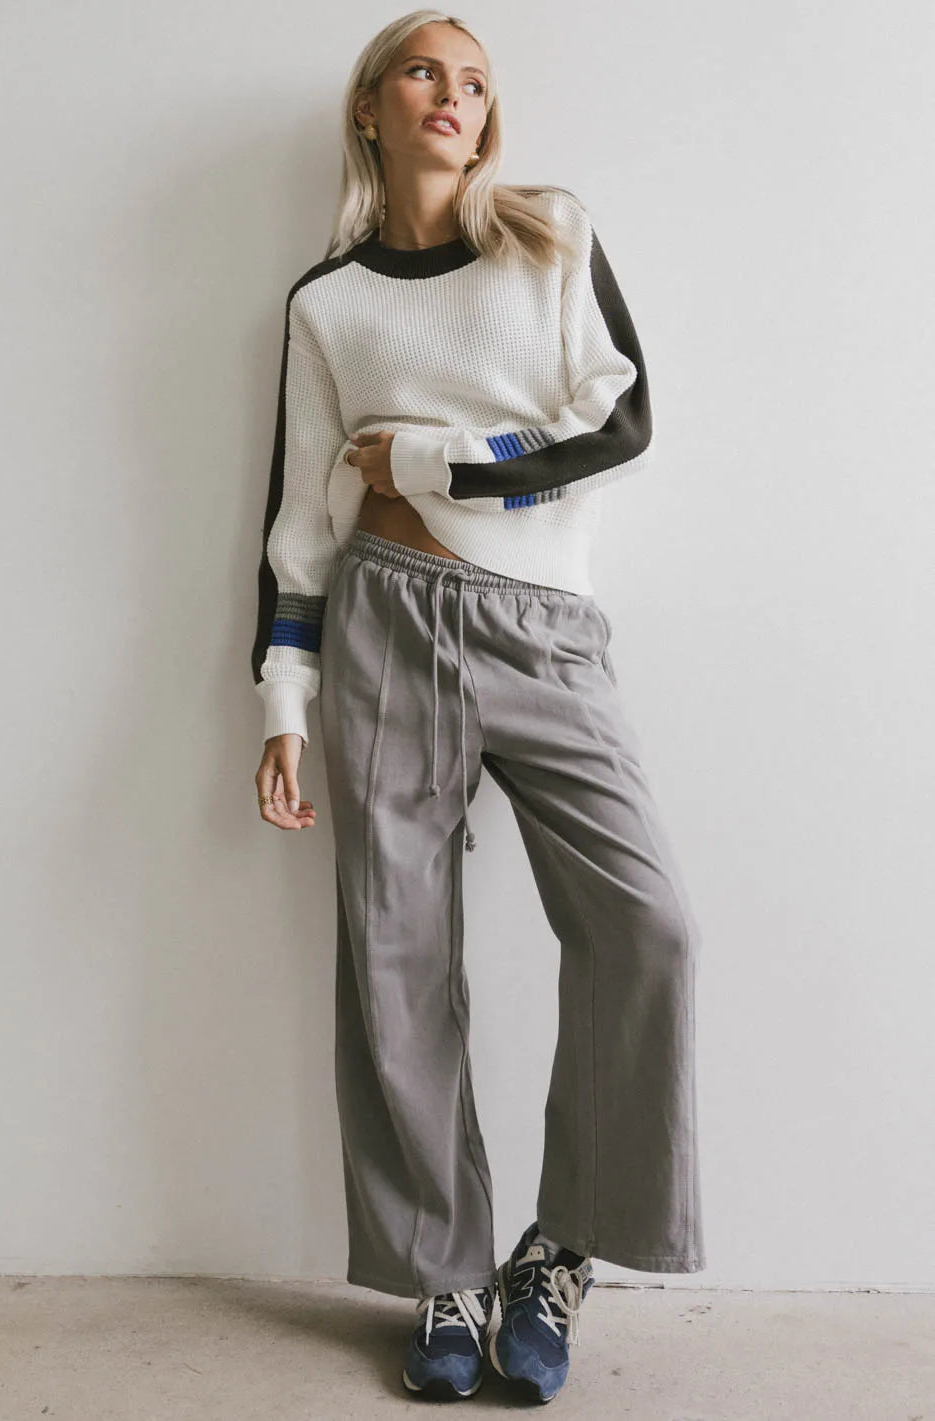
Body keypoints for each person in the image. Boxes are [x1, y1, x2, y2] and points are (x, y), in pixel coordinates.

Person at [251, 9, 707, 1405]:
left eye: (475, 80)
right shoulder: (328, 303)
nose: (454, 94)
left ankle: (558, 1250)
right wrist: (283, 697)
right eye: (423, 71)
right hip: (384, 620)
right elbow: (300, 516)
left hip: (543, 630)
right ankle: (443, 1272)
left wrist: (438, 462)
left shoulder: (550, 236)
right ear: (370, 109)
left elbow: (619, 422)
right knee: (395, 954)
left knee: (647, 924)